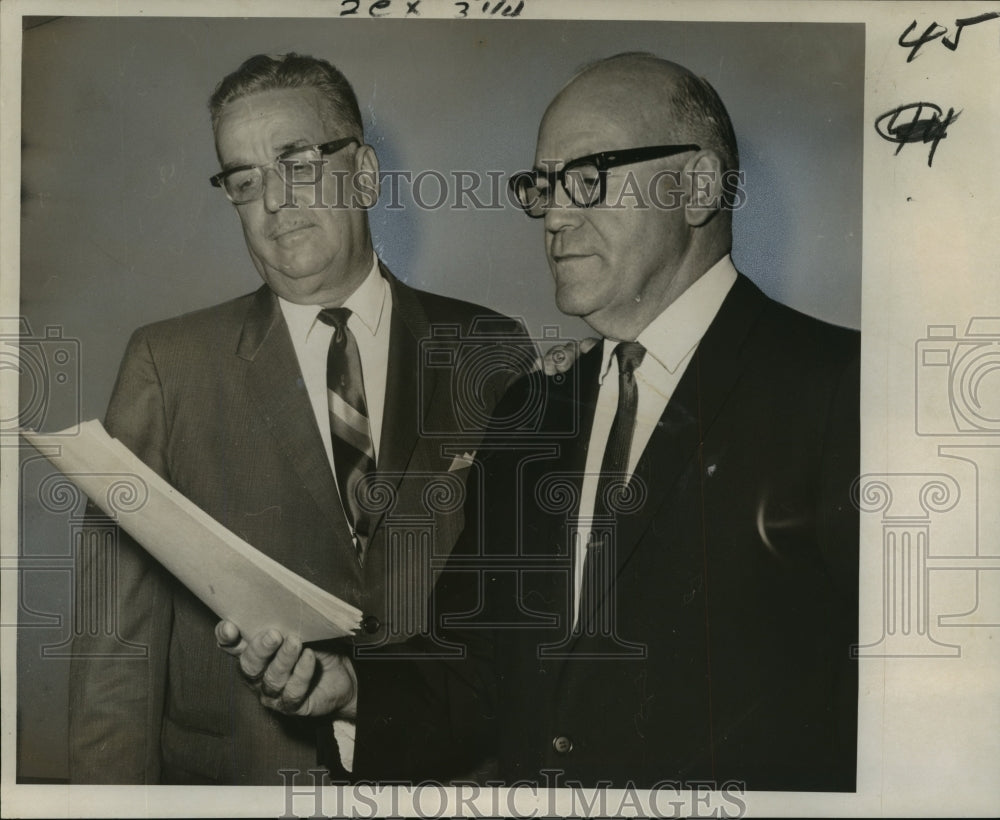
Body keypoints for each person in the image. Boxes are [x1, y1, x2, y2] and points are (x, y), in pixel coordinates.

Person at [219, 52, 860, 791]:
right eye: (544, 184)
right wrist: (350, 691)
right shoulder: (533, 410)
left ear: (699, 187)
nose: (554, 213)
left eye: (590, 176)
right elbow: (473, 675)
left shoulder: (844, 391)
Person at [67, 53, 531, 785]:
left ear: (367, 173)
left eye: (299, 162)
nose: (274, 202)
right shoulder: (167, 364)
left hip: (444, 783)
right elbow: (113, 653)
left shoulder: (490, 349)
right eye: (244, 180)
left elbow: (517, 621)